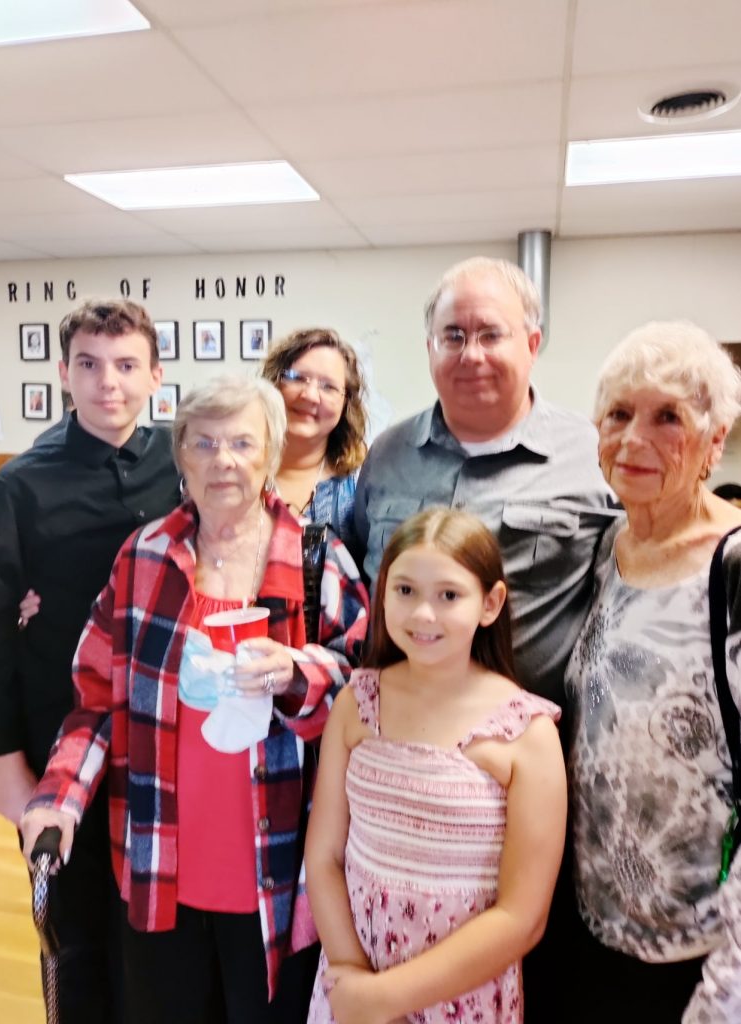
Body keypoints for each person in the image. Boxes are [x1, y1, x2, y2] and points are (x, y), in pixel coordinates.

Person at [20, 373, 370, 1024]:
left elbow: (365, 680)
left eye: (242, 442)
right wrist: (59, 798)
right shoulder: (144, 558)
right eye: (203, 443)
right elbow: (95, 696)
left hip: (276, 874)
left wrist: (299, 672)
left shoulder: (318, 558)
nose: (223, 460)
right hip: (159, 867)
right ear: (180, 454)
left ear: (268, 455)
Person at [352, 257, 615, 1021]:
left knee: (520, 972)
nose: (470, 354)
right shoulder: (388, 456)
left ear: (532, 341)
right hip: (394, 780)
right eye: (452, 334)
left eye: (491, 334)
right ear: (428, 345)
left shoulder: (589, 456)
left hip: (522, 780)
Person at [0, 298, 178, 1023]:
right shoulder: (19, 486)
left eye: (127, 365)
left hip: (161, 732)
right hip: (60, 736)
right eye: (89, 366)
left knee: (152, 919)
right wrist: (6, 764)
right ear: (65, 374)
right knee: (75, 928)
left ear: (156, 374)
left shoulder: (181, 461)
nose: (108, 384)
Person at [305, 507, 566, 1024]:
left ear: (490, 604)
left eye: (448, 596)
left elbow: (522, 917)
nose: (423, 614)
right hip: (352, 985)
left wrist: (388, 999)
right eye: (404, 591)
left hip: (461, 995)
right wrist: (355, 982)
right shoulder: (358, 701)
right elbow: (325, 858)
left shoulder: (526, 731)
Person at [565, 321, 741, 1023]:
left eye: (667, 416)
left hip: (699, 965)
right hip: (590, 943)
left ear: (714, 442)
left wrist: (724, 995)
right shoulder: (605, 550)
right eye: (618, 414)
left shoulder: (731, 568)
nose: (634, 438)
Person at [262, 328, 367, 556]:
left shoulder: (362, 484)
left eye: (328, 386)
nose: (310, 395)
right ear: (273, 384)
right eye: (297, 378)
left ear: (346, 403)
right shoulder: (236, 470)